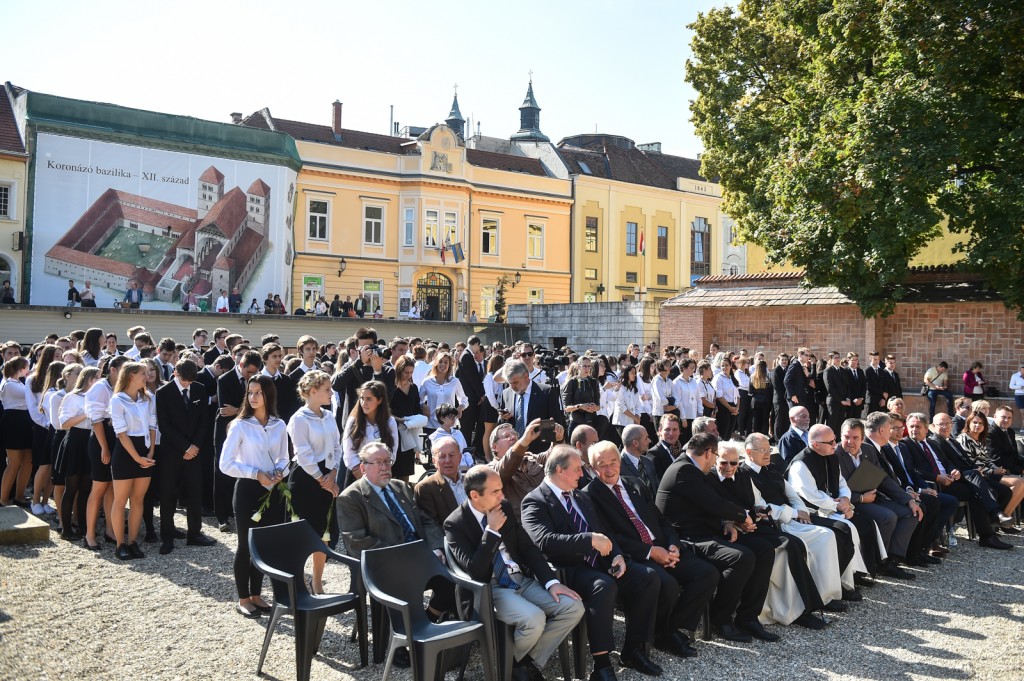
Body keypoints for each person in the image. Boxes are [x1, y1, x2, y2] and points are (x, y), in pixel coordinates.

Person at [521, 445, 663, 681]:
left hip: (600, 562)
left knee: (647, 578)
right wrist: (589, 540)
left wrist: (617, 554)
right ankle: (602, 665)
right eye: (577, 469)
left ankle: (633, 650)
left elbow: (605, 532)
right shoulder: (535, 500)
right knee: (604, 586)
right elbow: (544, 541)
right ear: (559, 470)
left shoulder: (580, 496)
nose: (582, 473)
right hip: (569, 569)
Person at [446, 464, 584, 681]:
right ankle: (520, 668)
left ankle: (518, 663)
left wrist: (551, 583)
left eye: (501, 489)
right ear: (475, 495)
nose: (502, 496)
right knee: (534, 620)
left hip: (520, 579)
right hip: (491, 588)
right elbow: (475, 571)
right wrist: (491, 531)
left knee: (573, 607)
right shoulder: (455, 524)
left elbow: (527, 548)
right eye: (495, 491)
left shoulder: (504, 507)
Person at [584, 440, 718, 657]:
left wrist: (672, 544)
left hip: (662, 546)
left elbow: (661, 520)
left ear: (620, 461)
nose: (609, 469)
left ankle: (670, 630)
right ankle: (654, 639)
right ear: (592, 467)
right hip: (635, 555)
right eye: (602, 465)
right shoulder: (590, 495)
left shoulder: (635, 484)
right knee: (667, 584)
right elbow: (609, 537)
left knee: (707, 574)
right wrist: (650, 552)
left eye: (613, 462)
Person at [655, 432, 774, 643]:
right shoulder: (684, 469)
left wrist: (727, 522)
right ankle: (722, 619)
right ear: (709, 453)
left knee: (764, 550)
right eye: (717, 456)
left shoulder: (691, 468)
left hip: (706, 531)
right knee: (741, 557)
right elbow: (713, 502)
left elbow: (709, 504)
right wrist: (742, 516)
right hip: (686, 538)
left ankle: (748, 617)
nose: (715, 461)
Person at [338, 441, 454, 632]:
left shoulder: (400, 486)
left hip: (420, 558)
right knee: (406, 592)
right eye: (378, 462)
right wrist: (405, 556)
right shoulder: (351, 498)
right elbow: (357, 543)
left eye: (388, 461)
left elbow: (425, 520)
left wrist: (436, 547)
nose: (385, 467)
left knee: (457, 581)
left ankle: (430, 622)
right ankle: (403, 639)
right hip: (386, 565)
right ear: (363, 468)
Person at [711, 441, 828, 629]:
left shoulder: (742, 474)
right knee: (774, 549)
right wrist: (734, 521)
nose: (729, 467)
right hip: (727, 531)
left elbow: (755, 502)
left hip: (751, 526)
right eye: (724, 462)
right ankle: (768, 612)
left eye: (733, 463)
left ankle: (803, 607)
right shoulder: (709, 478)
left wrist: (758, 511)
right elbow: (711, 508)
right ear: (715, 460)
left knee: (793, 544)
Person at [219, 375, 289, 617]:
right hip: (248, 490)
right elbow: (225, 464)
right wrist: (255, 473)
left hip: (273, 490)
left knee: (264, 546)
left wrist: (280, 471)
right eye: (250, 392)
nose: (253, 397)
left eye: (258, 392)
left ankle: (257, 595)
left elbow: (284, 457)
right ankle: (243, 598)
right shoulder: (240, 425)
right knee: (245, 546)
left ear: (268, 394)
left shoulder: (279, 424)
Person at [786, 424, 885, 577]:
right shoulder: (801, 464)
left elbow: (841, 483)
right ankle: (845, 578)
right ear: (815, 444)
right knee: (846, 529)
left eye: (834, 439)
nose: (835, 444)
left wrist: (845, 498)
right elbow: (811, 495)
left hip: (834, 507)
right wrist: (840, 506)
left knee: (867, 523)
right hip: (811, 511)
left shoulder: (831, 456)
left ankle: (863, 572)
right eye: (830, 442)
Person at [903, 413, 1011, 550]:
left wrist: (954, 470)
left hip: (950, 480)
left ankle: (988, 535)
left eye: (918, 427)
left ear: (925, 428)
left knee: (978, 494)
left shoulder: (932, 444)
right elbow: (913, 469)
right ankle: (994, 518)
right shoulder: (906, 444)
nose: (914, 430)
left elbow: (947, 462)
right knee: (976, 483)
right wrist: (937, 478)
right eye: (911, 426)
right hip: (935, 484)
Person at [834, 419, 920, 577]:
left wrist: (908, 500)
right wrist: (860, 498)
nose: (850, 442)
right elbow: (834, 490)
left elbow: (883, 479)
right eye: (846, 437)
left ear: (862, 438)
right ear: (840, 436)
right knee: (888, 517)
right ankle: (879, 562)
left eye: (855, 438)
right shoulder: (834, 455)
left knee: (910, 513)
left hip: (873, 497)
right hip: (851, 503)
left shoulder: (868, 449)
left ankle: (891, 560)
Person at [287, 370, 342, 594]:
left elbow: (337, 446)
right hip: (305, 479)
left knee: (323, 531)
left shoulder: (329, 416)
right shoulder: (299, 419)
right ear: (312, 391)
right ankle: (299, 581)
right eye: (327, 389)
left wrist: (333, 473)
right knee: (302, 533)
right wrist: (322, 478)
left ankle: (317, 581)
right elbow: (303, 453)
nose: (331, 393)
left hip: (327, 476)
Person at [154, 358, 214, 555]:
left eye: (190, 380)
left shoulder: (199, 389)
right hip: (171, 451)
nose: (187, 384)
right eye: (184, 380)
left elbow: (203, 420)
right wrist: (185, 447)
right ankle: (167, 535)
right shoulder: (163, 392)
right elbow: (164, 425)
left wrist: (194, 446)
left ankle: (195, 533)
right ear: (175, 374)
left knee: (195, 492)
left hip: (195, 451)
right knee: (168, 493)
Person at [109, 362, 158, 560]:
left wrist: (151, 451)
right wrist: (138, 458)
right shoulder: (117, 400)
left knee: (138, 499)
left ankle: (132, 542)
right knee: (120, 500)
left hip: (145, 450)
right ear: (130, 375)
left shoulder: (148, 398)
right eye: (143, 374)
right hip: (125, 452)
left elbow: (153, 424)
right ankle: (120, 544)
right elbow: (121, 433)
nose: (147, 377)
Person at [215, 350, 263, 532]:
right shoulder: (224, 380)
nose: (251, 376)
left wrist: (237, 410)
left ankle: (241, 511)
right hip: (226, 431)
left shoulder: (257, 381)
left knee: (244, 470)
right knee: (222, 472)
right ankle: (222, 516)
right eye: (249, 372)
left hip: (248, 431)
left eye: (255, 372)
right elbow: (225, 409)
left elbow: (252, 408)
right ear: (241, 365)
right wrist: (244, 410)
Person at [55, 366, 100, 540]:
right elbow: (64, 423)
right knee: (71, 488)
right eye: (97, 377)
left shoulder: (97, 397)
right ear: (89, 379)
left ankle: (83, 526)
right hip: (75, 441)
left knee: (86, 488)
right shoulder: (72, 397)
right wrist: (86, 414)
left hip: (90, 440)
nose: (100, 381)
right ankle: (66, 529)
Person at [959, 409, 1024, 523]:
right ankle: (1003, 518)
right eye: (975, 422)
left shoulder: (980, 438)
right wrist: (993, 471)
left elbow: (986, 460)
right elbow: (970, 463)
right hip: (978, 476)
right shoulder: (963, 439)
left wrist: (995, 468)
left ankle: (1005, 518)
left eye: (981, 423)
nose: (978, 425)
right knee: (1019, 482)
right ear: (968, 423)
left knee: (1021, 483)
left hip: (989, 472)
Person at [341, 380, 399, 488]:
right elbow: (348, 450)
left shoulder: (390, 422)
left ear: (379, 400)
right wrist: (359, 469)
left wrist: (381, 467)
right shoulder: (353, 422)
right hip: (357, 474)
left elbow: (393, 451)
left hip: (382, 473)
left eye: (369, 399)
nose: (364, 403)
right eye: (362, 398)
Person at [500, 359, 565, 453]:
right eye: (510, 383)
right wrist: (503, 417)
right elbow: (502, 424)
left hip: (540, 451)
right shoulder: (506, 393)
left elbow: (555, 423)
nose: (513, 387)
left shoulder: (546, 392)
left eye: (516, 382)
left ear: (526, 376)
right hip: (514, 450)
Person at [0, 356, 33, 506]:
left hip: (24, 421)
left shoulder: (19, 382)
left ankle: (19, 496)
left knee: (28, 460)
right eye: (27, 367)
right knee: (14, 462)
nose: (29, 370)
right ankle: (3, 499)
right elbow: (29, 395)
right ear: (21, 369)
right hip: (13, 422)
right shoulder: (9, 384)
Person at [388, 355, 422, 482]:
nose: (408, 375)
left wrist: (418, 419)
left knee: (405, 471)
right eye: (406, 372)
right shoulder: (391, 388)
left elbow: (417, 408)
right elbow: (386, 410)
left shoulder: (413, 388)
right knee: (391, 469)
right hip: (393, 431)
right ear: (399, 370)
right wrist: (398, 420)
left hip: (409, 431)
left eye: (411, 372)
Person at [420, 351, 468, 430]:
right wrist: (423, 406)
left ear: (449, 365)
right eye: (440, 362)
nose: (443, 364)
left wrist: (460, 407)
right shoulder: (427, 381)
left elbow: (464, 399)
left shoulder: (455, 381)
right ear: (436, 363)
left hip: (450, 424)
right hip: (431, 424)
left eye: (446, 362)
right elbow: (419, 399)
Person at [619, 424, 657, 497]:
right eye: (646, 438)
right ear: (635, 443)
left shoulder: (648, 462)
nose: (649, 441)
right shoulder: (618, 467)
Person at [770, 353, 791, 440]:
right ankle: (777, 438)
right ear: (778, 360)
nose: (784, 361)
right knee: (779, 419)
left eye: (786, 360)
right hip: (779, 399)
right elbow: (777, 386)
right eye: (782, 360)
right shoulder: (775, 371)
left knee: (786, 419)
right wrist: (786, 396)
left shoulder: (788, 370)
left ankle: (784, 437)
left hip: (786, 399)